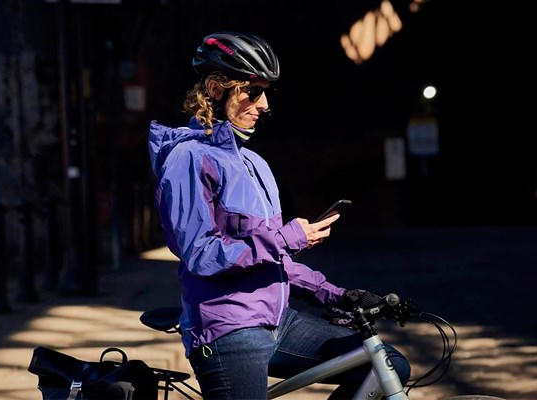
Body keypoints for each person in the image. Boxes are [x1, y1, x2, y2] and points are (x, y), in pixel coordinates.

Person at [148, 31, 410, 399]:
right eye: (252, 92)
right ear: (216, 88)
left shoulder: (254, 163)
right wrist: (287, 237)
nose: (264, 103)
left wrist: (337, 294)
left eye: (266, 92)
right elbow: (202, 256)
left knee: (387, 364)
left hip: (278, 321)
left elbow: (274, 259)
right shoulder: (189, 159)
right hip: (230, 328)